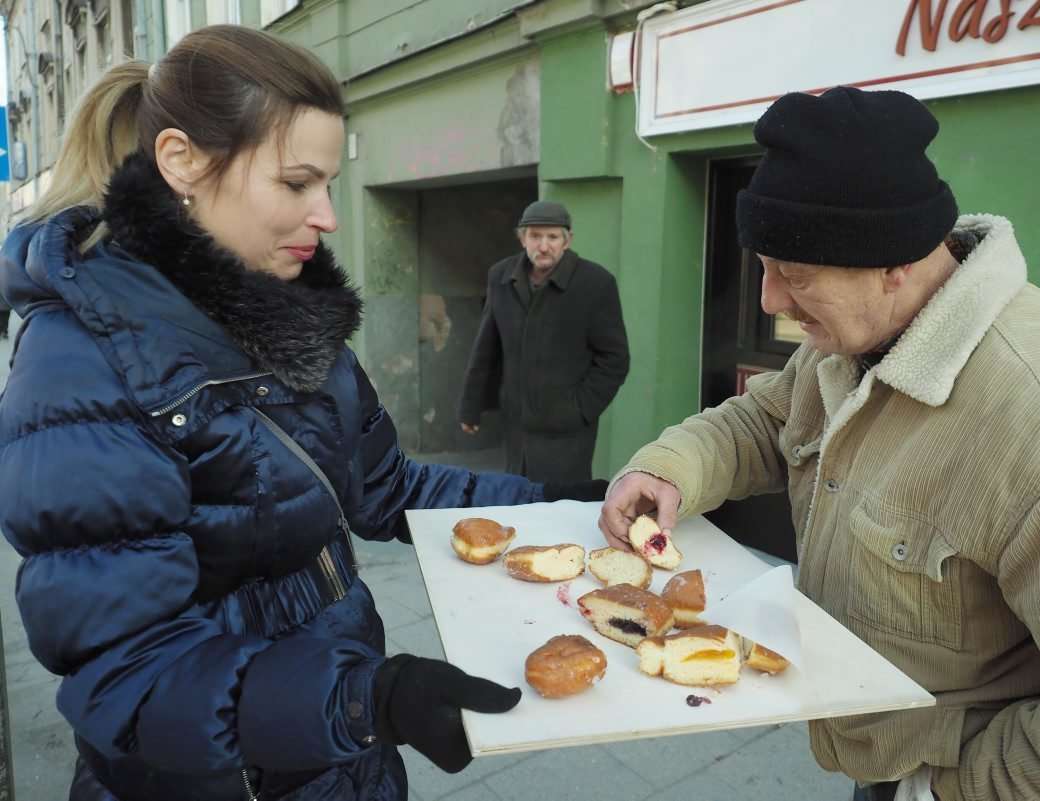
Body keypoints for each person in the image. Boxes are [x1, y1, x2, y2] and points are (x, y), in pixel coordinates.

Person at [0, 26, 603, 801]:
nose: (328, 216)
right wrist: (362, 699)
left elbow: (386, 488)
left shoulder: (294, 316)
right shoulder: (80, 364)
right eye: (296, 184)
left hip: (339, 756)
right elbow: (131, 675)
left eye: (327, 183)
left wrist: (565, 502)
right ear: (182, 161)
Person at [599, 87, 1040, 801]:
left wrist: (945, 785)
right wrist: (670, 467)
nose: (768, 302)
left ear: (896, 265)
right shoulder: (851, 337)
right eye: (764, 266)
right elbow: (765, 420)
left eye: (793, 274)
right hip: (882, 760)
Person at [458, 201, 630, 483]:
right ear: (522, 238)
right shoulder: (501, 276)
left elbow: (615, 359)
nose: (544, 245)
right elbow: (487, 346)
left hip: (568, 429)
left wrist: (580, 408)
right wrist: (471, 406)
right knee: (519, 496)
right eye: (535, 236)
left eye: (553, 237)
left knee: (561, 505)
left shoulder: (596, 283)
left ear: (567, 240)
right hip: (517, 421)